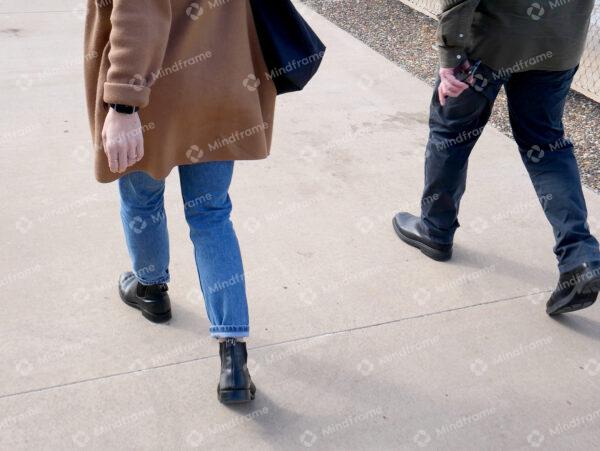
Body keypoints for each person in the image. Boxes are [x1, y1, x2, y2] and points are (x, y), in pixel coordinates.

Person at [84, 0, 276, 404]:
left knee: (142, 201)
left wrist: (122, 102)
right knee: (211, 216)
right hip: (220, 85)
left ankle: (151, 288)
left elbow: (138, 13)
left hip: (153, 98)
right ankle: (233, 355)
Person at [393, 0, 600, 315]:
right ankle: (580, 258)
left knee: (451, 134)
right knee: (546, 146)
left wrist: (450, 53)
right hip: (560, 44)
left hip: (490, 43)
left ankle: (435, 229)